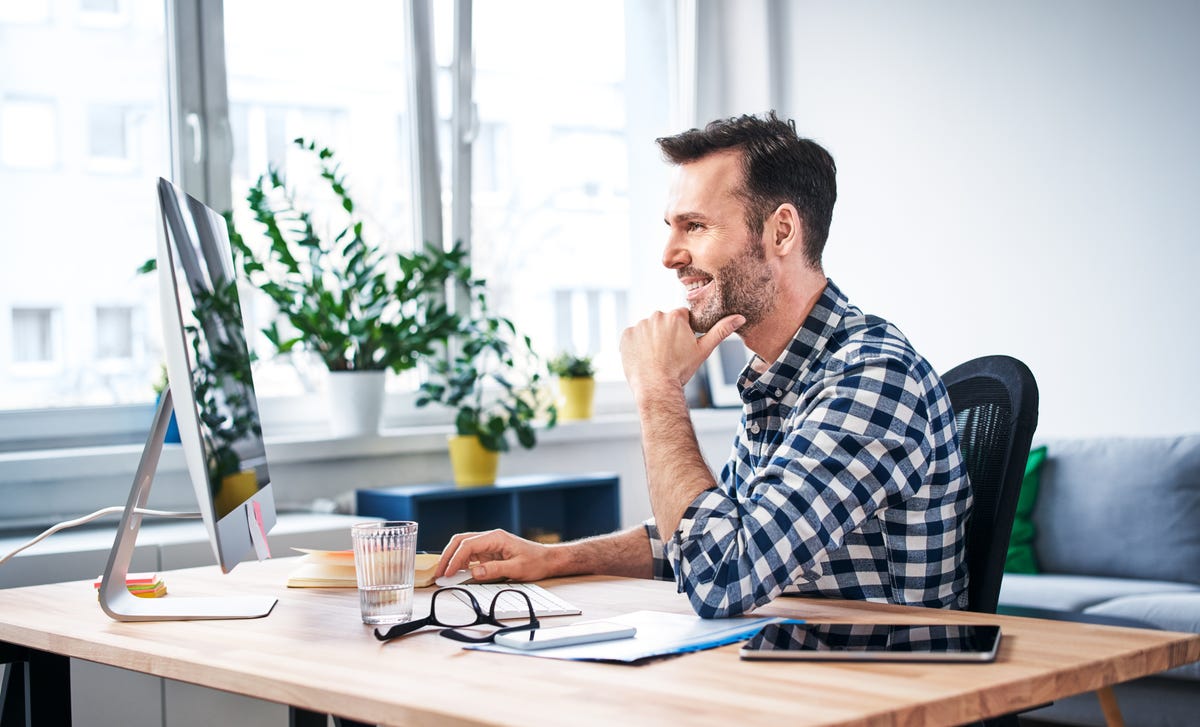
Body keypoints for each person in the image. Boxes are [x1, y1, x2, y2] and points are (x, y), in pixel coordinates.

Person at [434, 111, 972, 618]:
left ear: (781, 231)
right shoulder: (781, 378)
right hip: (791, 677)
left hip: (884, 696)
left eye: (694, 226)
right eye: (671, 227)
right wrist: (555, 559)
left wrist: (657, 388)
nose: (669, 255)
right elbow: (704, 541)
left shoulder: (871, 379)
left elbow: (721, 575)